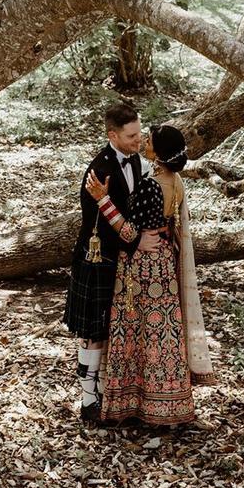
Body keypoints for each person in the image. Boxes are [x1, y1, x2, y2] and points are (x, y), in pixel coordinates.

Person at [85, 124, 216, 426]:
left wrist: (103, 200)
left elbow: (131, 231)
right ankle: (169, 404)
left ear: (159, 152)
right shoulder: (177, 181)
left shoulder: (150, 185)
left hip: (142, 267)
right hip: (166, 263)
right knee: (163, 334)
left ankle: (130, 404)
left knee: (136, 331)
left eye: (150, 141)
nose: (144, 142)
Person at [63, 103, 161, 422]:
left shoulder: (136, 160)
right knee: (94, 331)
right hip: (98, 258)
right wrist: (136, 240)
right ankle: (89, 400)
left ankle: (110, 391)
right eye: (132, 135)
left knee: (115, 327)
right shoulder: (99, 170)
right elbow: (104, 225)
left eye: (139, 132)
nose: (138, 139)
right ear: (112, 135)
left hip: (123, 257)